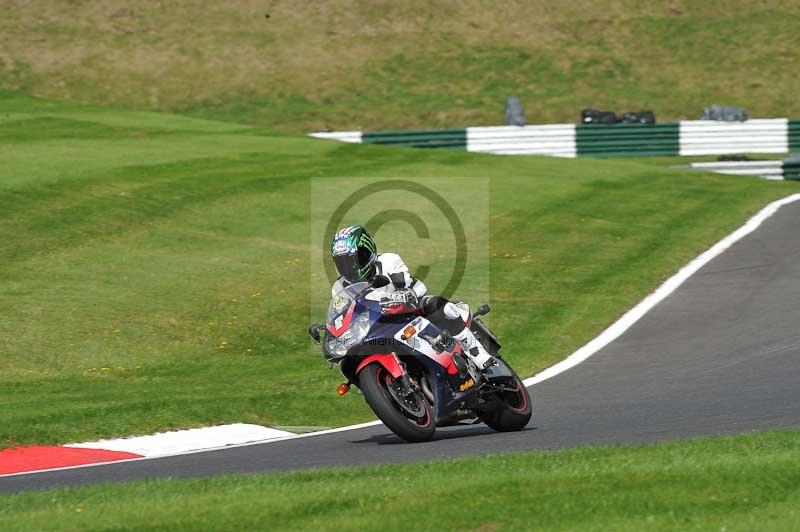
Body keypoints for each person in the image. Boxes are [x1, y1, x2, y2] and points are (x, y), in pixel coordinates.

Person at [329, 225, 493, 369]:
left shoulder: (388, 261)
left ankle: (477, 353)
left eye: (353, 261)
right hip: (376, 325)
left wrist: (408, 294)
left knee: (436, 304)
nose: (349, 267)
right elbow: (343, 314)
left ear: (368, 251)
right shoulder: (339, 287)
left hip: (409, 311)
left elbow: (418, 286)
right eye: (341, 263)